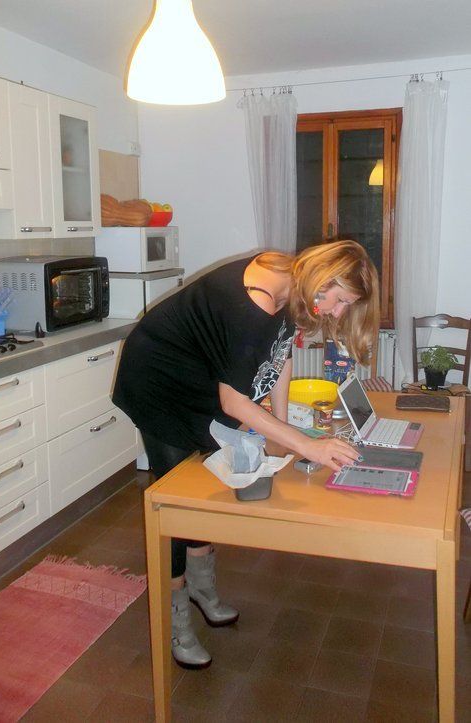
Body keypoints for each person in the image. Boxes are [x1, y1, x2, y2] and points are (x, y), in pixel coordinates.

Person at [113, 239, 380, 669]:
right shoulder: (252, 306)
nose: (338, 313)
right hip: (158, 380)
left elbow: (279, 358)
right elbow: (235, 402)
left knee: (207, 484)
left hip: (200, 377)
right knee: (176, 495)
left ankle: (201, 587)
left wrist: (285, 431)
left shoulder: (289, 285)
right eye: (342, 301)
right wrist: (306, 444)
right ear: (324, 280)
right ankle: (175, 612)